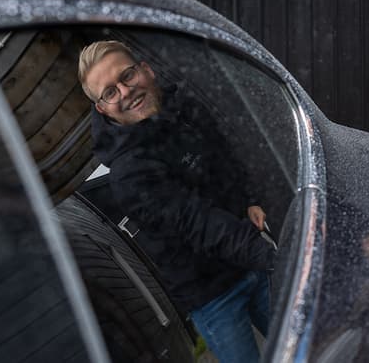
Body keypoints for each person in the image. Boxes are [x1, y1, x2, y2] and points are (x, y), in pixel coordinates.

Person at [78, 40, 275, 363]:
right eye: (110, 92)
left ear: (146, 70)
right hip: (213, 297)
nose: (125, 92)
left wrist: (249, 199)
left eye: (127, 76)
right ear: (103, 109)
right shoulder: (128, 174)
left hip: (248, 261)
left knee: (309, 344)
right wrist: (270, 256)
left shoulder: (185, 110)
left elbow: (224, 155)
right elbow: (197, 223)